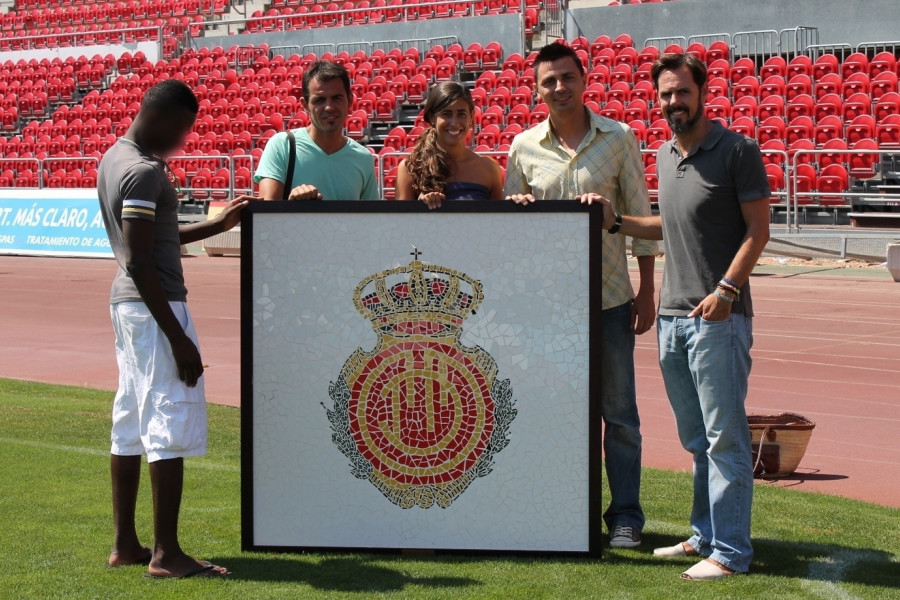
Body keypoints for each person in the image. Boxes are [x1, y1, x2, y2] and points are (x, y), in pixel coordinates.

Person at [586, 53, 770, 580]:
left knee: (725, 439)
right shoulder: (666, 154)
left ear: (703, 92)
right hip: (671, 318)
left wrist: (727, 291)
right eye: (665, 94)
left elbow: (759, 230)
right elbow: (667, 224)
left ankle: (730, 554)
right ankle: (704, 535)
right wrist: (615, 221)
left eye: (682, 92)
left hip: (718, 317)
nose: (674, 102)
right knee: (697, 441)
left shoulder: (738, 151)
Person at [504, 43, 658, 549]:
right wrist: (517, 209)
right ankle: (561, 511)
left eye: (567, 77)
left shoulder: (620, 137)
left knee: (620, 416)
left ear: (584, 79)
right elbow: (510, 237)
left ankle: (626, 517)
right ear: (537, 90)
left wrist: (646, 291)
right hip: (547, 309)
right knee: (551, 412)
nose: (559, 88)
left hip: (610, 300)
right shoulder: (523, 147)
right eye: (548, 81)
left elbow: (640, 219)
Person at [97, 79, 252, 578]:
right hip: (155, 306)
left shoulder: (115, 158)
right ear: (160, 116)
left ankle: (125, 544)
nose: (183, 141)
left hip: (130, 307)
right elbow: (141, 260)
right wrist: (178, 337)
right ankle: (167, 554)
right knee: (167, 418)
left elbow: (154, 237)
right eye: (183, 129)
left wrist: (218, 226)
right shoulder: (144, 172)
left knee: (129, 421)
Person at [254, 60, 379, 201]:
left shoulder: (363, 158)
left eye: (337, 98)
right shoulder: (283, 146)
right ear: (305, 105)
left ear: (349, 100)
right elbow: (266, 210)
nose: (329, 107)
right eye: (319, 100)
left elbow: (369, 215)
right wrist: (293, 207)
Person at [396, 81, 504, 206]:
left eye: (461, 114)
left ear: (471, 116)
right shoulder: (410, 168)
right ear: (431, 117)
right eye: (446, 114)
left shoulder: (489, 168)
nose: (454, 123)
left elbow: (499, 217)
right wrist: (421, 208)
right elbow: (401, 218)